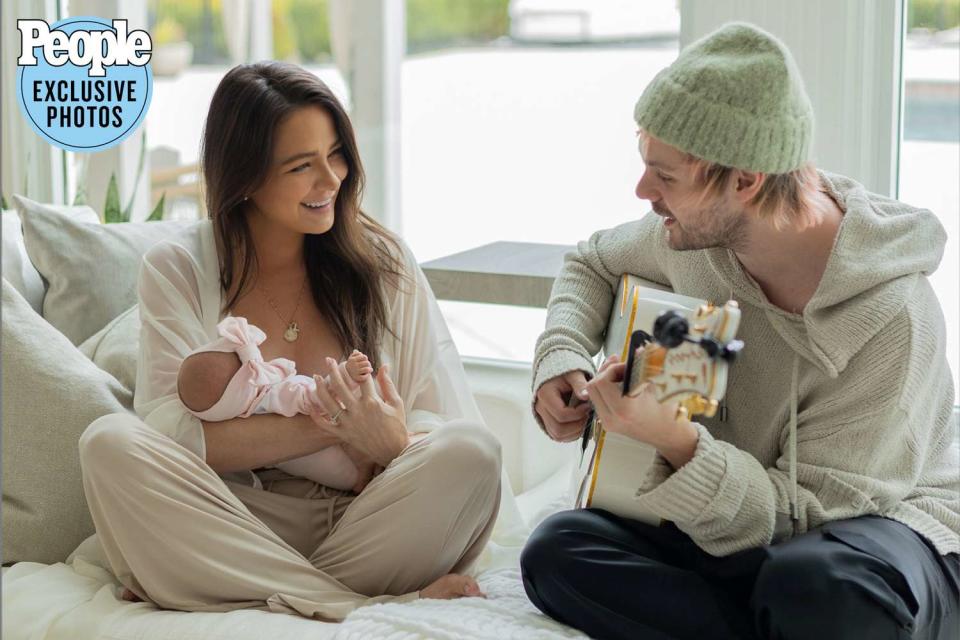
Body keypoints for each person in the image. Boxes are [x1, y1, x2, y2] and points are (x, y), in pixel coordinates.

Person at [520, 22, 959, 640]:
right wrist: (561, 354)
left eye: (665, 177)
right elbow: (592, 261)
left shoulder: (893, 319)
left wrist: (677, 443)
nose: (642, 191)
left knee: (812, 584)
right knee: (556, 552)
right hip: (740, 517)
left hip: (882, 530)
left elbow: (800, 517)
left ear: (745, 181)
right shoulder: (698, 236)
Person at [78, 61, 505, 622]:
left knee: (474, 452)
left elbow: (431, 414)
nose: (331, 179)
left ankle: (234, 585)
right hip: (231, 515)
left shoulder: (385, 263)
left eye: (336, 154)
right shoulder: (177, 266)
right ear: (245, 177)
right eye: (302, 166)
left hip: (367, 520)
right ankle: (361, 604)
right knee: (108, 444)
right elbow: (172, 435)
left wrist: (391, 443)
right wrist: (323, 426)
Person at [178, 315, 376, 493]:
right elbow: (318, 398)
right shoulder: (273, 395)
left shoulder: (237, 418)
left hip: (292, 460)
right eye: (239, 361)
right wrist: (345, 373)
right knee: (349, 462)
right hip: (323, 455)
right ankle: (361, 474)